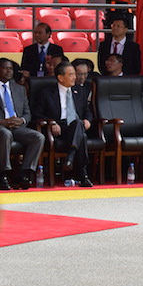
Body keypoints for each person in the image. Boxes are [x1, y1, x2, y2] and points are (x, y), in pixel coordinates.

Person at [31, 60, 94, 187]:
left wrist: (88, 120)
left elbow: (87, 111)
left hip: (75, 126)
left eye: (74, 74)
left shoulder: (79, 91)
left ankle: (70, 158)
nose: (75, 77)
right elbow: (37, 114)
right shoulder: (46, 92)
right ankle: (83, 175)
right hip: (57, 127)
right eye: (71, 75)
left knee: (78, 125)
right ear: (60, 77)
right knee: (82, 136)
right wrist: (52, 123)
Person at [0, 58, 43, 190]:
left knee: (38, 137)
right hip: (1, 126)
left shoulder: (20, 89)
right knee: (6, 134)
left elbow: (27, 113)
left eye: (11, 69)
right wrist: (3, 122)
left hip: (18, 127)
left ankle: (24, 174)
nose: (9, 71)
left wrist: (22, 120)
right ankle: (3, 174)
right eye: (5, 68)